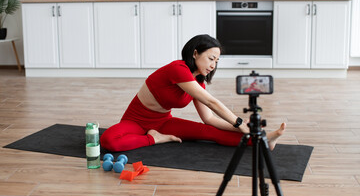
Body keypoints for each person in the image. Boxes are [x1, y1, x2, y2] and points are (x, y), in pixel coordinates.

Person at [100, 34, 286, 152]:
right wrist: (237, 121)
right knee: (108, 141)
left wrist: (242, 127)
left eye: (217, 61)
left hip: (163, 122)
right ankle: (154, 138)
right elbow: (212, 102)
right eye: (211, 58)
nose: (213, 65)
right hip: (136, 120)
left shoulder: (198, 82)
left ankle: (263, 139)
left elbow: (210, 119)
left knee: (210, 133)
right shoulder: (178, 68)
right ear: (195, 53)